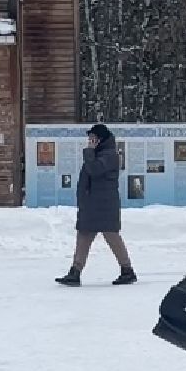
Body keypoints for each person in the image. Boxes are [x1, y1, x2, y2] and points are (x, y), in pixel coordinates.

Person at [56, 123, 135, 287]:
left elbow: (94, 170)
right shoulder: (97, 154)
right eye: (89, 139)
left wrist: (89, 152)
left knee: (112, 237)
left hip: (105, 205)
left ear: (100, 139)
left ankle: (127, 270)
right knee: (83, 236)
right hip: (92, 204)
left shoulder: (110, 155)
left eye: (92, 138)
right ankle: (75, 272)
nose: (89, 141)